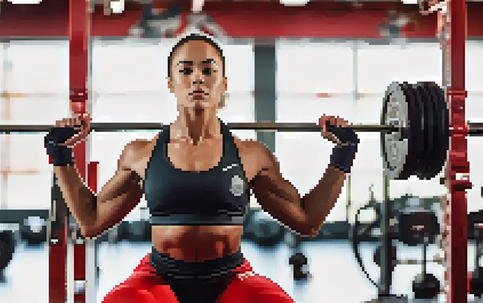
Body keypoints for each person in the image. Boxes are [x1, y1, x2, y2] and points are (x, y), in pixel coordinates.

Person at [45, 33, 359, 303]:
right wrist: (61, 156)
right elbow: (91, 221)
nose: (198, 78)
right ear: (171, 84)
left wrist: (342, 156)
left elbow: (306, 221)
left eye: (208, 70)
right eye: (186, 70)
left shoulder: (251, 155)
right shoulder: (141, 154)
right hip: (160, 277)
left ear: (223, 83)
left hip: (230, 276)